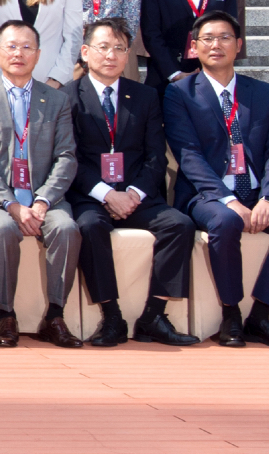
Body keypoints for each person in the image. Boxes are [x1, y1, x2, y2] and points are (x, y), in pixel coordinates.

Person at [164, 11, 269, 347]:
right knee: (226, 221)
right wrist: (228, 200)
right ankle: (231, 314)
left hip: (257, 190)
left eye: (225, 37)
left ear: (239, 45)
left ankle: (261, 314)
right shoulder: (180, 93)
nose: (216, 45)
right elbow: (188, 155)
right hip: (208, 195)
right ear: (194, 47)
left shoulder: (263, 92)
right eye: (208, 38)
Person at [67, 18, 200, 347]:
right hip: (90, 195)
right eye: (103, 47)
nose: (111, 55)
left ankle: (154, 316)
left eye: (119, 48)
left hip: (136, 194)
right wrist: (107, 194)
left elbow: (156, 156)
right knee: (89, 227)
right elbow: (69, 158)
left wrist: (133, 194)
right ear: (85, 52)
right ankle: (112, 317)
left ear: (128, 55)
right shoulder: (66, 97)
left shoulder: (145, 96)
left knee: (180, 224)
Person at [0, 20, 83, 347]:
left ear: (38, 55)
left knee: (67, 228)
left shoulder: (56, 100)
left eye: (27, 47)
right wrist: (13, 205)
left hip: (47, 198)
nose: (19, 53)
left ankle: (55, 316)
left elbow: (66, 156)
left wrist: (42, 201)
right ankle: (6, 315)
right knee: (3, 228)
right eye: (12, 46)